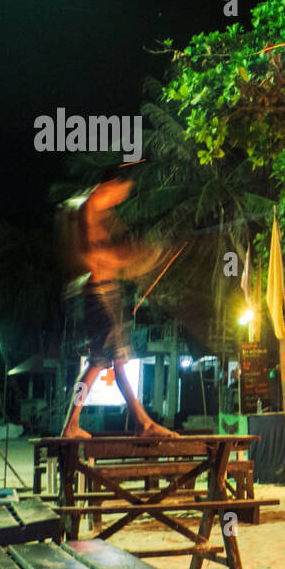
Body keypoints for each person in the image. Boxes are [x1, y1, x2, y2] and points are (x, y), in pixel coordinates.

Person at [59, 174, 177, 439]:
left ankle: (137, 422)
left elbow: (114, 260)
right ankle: (137, 423)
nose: (123, 196)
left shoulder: (100, 213)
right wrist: (134, 254)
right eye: (122, 189)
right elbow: (94, 258)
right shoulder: (89, 211)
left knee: (109, 360)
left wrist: (142, 256)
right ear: (109, 184)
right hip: (99, 295)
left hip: (106, 294)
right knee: (107, 361)